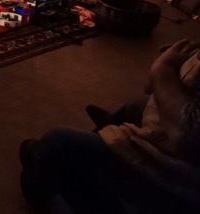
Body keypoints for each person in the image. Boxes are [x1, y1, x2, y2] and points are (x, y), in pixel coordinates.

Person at [19, 39, 200, 214]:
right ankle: (103, 136)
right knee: (135, 107)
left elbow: (187, 137)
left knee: (58, 144)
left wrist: (162, 70)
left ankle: (42, 171)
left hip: (185, 181)